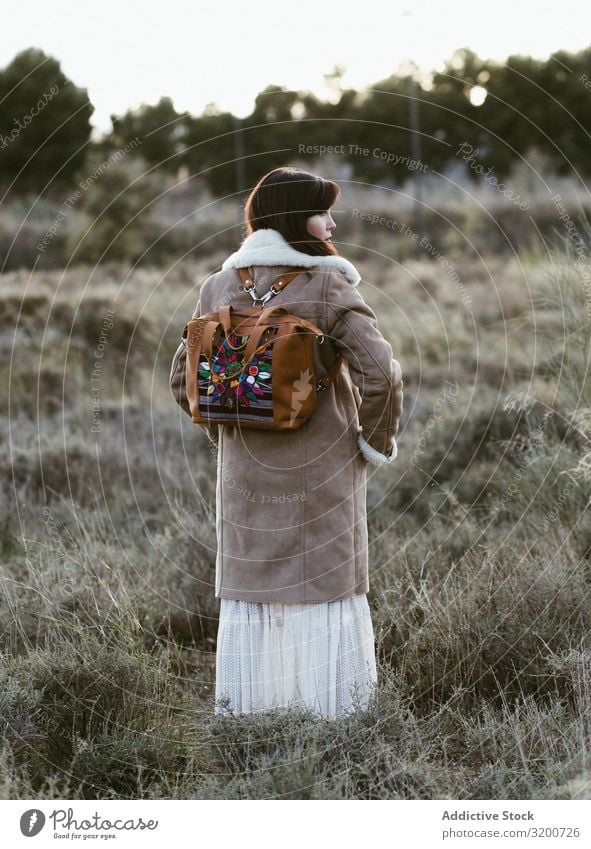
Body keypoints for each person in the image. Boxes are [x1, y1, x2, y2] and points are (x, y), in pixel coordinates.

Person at [169, 165, 404, 721]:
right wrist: (371, 442)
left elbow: (184, 381)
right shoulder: (327, 284)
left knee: (253, 596)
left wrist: (230, 427)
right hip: (321, 470)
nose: (332, 222)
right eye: (323, 210)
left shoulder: (217, 286)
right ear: (296, 218)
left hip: (244, 474)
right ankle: (330, 719)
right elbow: (383, 376)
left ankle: (252, 718)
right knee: (322, 590)